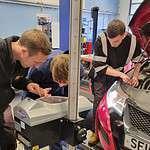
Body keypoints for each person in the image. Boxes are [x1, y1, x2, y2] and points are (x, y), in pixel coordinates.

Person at [88, 19, 143, 145]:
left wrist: (135, 76)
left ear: (124, 35)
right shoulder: (100, 40)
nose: (113, 44)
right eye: (111, 41)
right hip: (101, 73)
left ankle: (113, 130)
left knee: (116, 102)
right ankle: (95, 132)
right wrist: (121, 75)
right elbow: (100, 67)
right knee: (99, 100)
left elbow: (138, 61)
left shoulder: (133, 41)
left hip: (118, 73)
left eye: (117, 41)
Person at [0, 28, 51, 149]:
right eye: (36, 62)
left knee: (9, 142)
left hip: (3, 106)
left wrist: (28, 85)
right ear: (24, 51)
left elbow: (15, 79)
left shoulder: (20, 59)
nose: (37, 66)